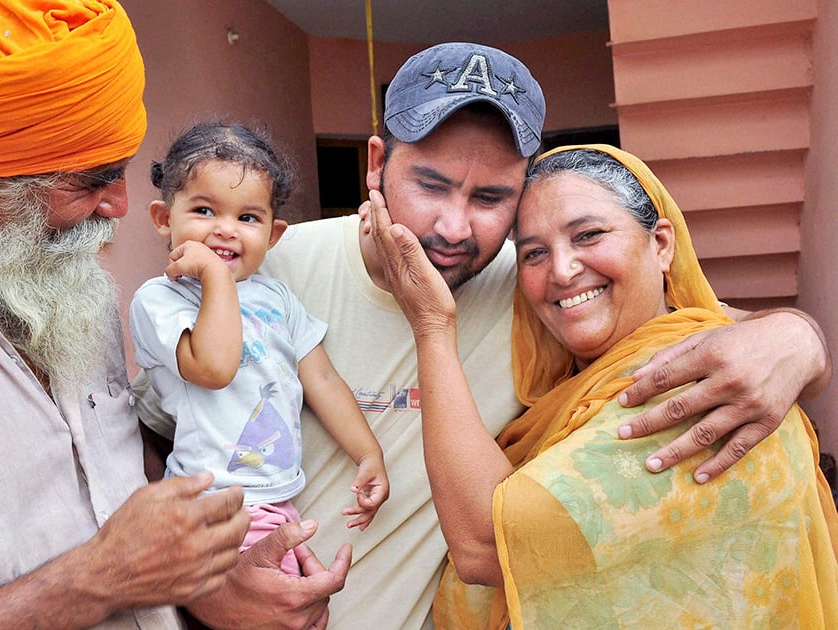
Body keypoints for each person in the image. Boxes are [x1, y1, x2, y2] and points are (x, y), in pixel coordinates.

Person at [134, 42, 832, 629]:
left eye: (492, 198)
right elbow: (149, 441)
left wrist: (798, 338)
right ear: (376, 163)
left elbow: (697, 328)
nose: (455, 227)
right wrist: (208, 589)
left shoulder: (541, 289)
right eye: (431, 184)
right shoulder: (265, 272)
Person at [0, 2, 259, 628]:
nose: (119, 205)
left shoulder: (68, 287)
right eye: (93, 181)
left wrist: (215, 579)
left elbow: (110, 473)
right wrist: (86, 584)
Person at [368, 144, 838, 628]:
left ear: (661, 245)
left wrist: (431, 325)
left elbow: (486, 546)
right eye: (533, 253)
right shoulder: (564, 379)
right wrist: (801, 334)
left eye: (588, 235)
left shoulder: (702, 383)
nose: (562, 270)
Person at [130, 122, 389, 576]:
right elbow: (213, 367)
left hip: (277, 497)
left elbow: (322, 381)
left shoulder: (278, 298)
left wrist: (369, 454)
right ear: (163, 218)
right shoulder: (160, 300)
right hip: (212, 501)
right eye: (205, 210)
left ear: (273, 235)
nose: (226, 230)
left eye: (247, 218)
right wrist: (213, 276)